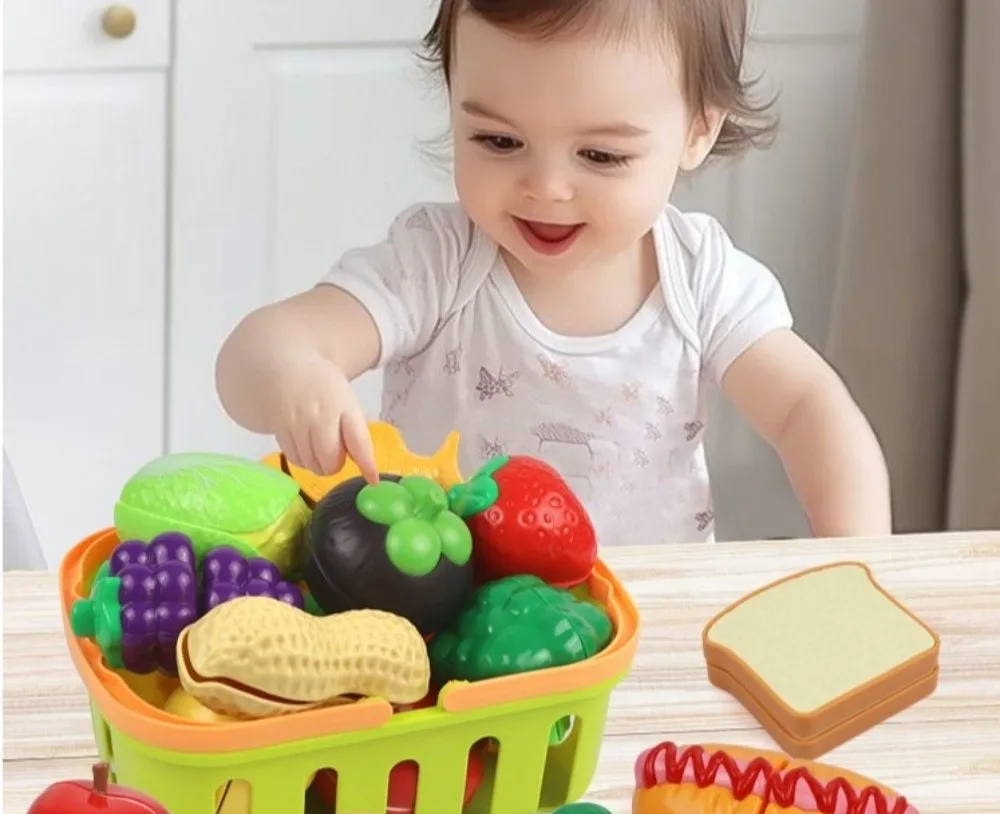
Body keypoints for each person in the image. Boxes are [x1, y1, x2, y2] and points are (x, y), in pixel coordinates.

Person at [216, 0, 892, 545]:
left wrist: (859, 557)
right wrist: (293, 375)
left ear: (698, 131)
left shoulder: (701, 279)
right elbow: (260, 350)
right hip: (450, 631)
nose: (545, 187)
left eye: (599, 155)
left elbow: (808, 409)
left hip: (647, 625)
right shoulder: (437, 262)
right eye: (499, 141)